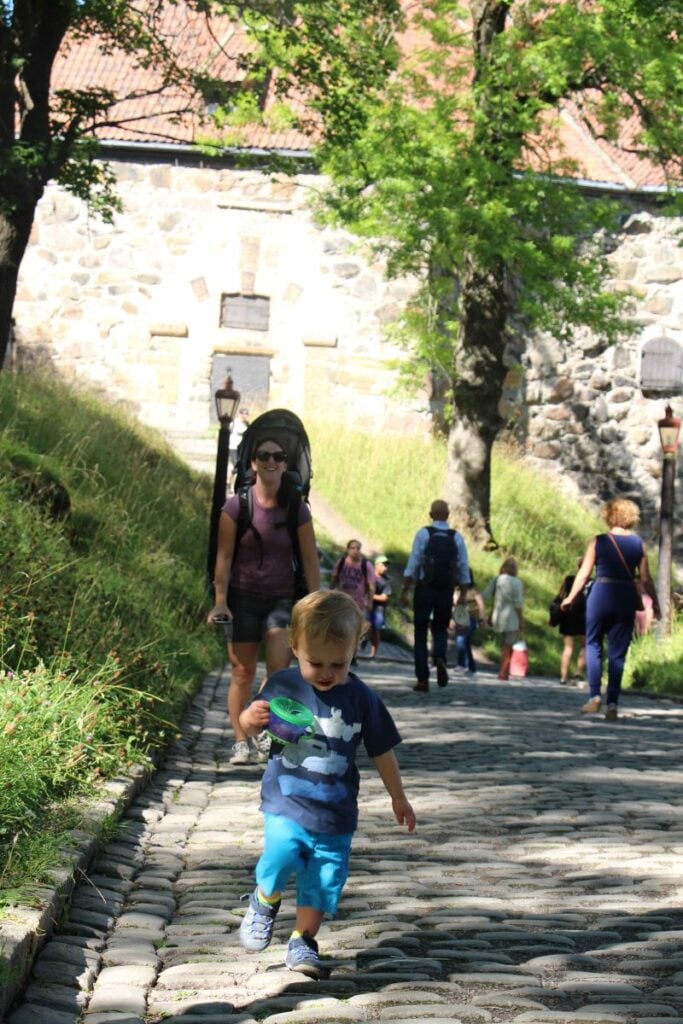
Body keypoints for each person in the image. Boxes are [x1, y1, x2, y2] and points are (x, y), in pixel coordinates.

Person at [237, 590, 416, 978]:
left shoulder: (362, 698)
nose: (327, 672)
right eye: (315, 662)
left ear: (356, 649)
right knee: (281, 854)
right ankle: (265, 898)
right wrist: (248, 720)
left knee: (322, 881)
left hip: (336, 812)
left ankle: (303, 941)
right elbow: (252, 727)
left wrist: (398, 796)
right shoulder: (283, 686)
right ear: (294, 646)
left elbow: (382, 749)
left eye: (339, 663)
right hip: (287, 800)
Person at [207, 435, 320, 765]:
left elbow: (311, 561)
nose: (271, 461)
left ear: (286, 464)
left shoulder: (297, 509)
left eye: (278, 455)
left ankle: (263, 729)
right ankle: (241, 740)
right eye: (264, 455)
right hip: (243, 599)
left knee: (278, 671)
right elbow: (224, 558)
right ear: (252, 463)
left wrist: (315, 606)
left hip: (281, 601)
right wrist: (220, 601)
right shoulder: (236, 506)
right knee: (241, 673)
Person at [561, 498, 660, 721]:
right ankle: (613, 703)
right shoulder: (638, 544)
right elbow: (645, 579)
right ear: (632, 518)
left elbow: (584, 574)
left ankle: (595, 696)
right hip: (625, 596)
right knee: (618, 652)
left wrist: (570, 597)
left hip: (601, 593)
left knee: (593, 643)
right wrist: (655, 603)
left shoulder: (598, 542)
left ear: (608, 515)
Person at [400, 500, 470, 692]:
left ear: (430, 515)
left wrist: (405, 589)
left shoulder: (423, 534)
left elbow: (413, 562)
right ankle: (439, 656)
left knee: (420, 632)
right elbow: (463, 565)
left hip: (424, 588)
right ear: (448, 515)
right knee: (440, 628)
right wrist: (463, 592)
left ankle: (422, 679)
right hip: (446, 590)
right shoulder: (456, 537)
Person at [482, 557, 525, 681]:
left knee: (505, 645)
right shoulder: (518, 582)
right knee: (508, 645)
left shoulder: (497, 579)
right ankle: (503, 671)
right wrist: (521, 620)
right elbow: (518, 604)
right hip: (512, 618)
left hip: (498, 615)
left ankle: (504, 670)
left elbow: (485, 595)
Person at [555, 558, 588, 685]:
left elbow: (560, 596)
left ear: (578, 566)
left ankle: (563, 677)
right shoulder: (591, 582)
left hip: (568, 614)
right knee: (584, 646)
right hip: (585, 616)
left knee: (568, 647)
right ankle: (579, 673)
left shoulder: (569, 580)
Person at [454, 573, 486, 675]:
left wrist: (481, 619)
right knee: (466, 642)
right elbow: (454, 604)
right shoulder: (456, 590)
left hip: (472, 618)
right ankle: (471, 667)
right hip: (460, 618)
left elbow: (481, 605)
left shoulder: (474, 590)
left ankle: (462, 664)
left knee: (461, 639)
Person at [369, 555, 392, 659]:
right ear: (376, 565)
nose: (385, 568)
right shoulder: (368, 576)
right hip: (365, 606)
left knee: (376, 630)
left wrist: (371, 596)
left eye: (386, 566)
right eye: (383, 565)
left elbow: (385, 597)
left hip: (378, 609)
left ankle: (373, 654)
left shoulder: (386, 581)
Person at [228, 407, 250, 491]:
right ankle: (230, 484)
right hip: (233, 447)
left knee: (239, 467)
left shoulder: (247, 425)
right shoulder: (234, 423)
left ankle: (231, 484)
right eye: (243, 414)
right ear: (240, 414)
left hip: (242, 448)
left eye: (246, 414)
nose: (245, 416)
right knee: (236, 467)